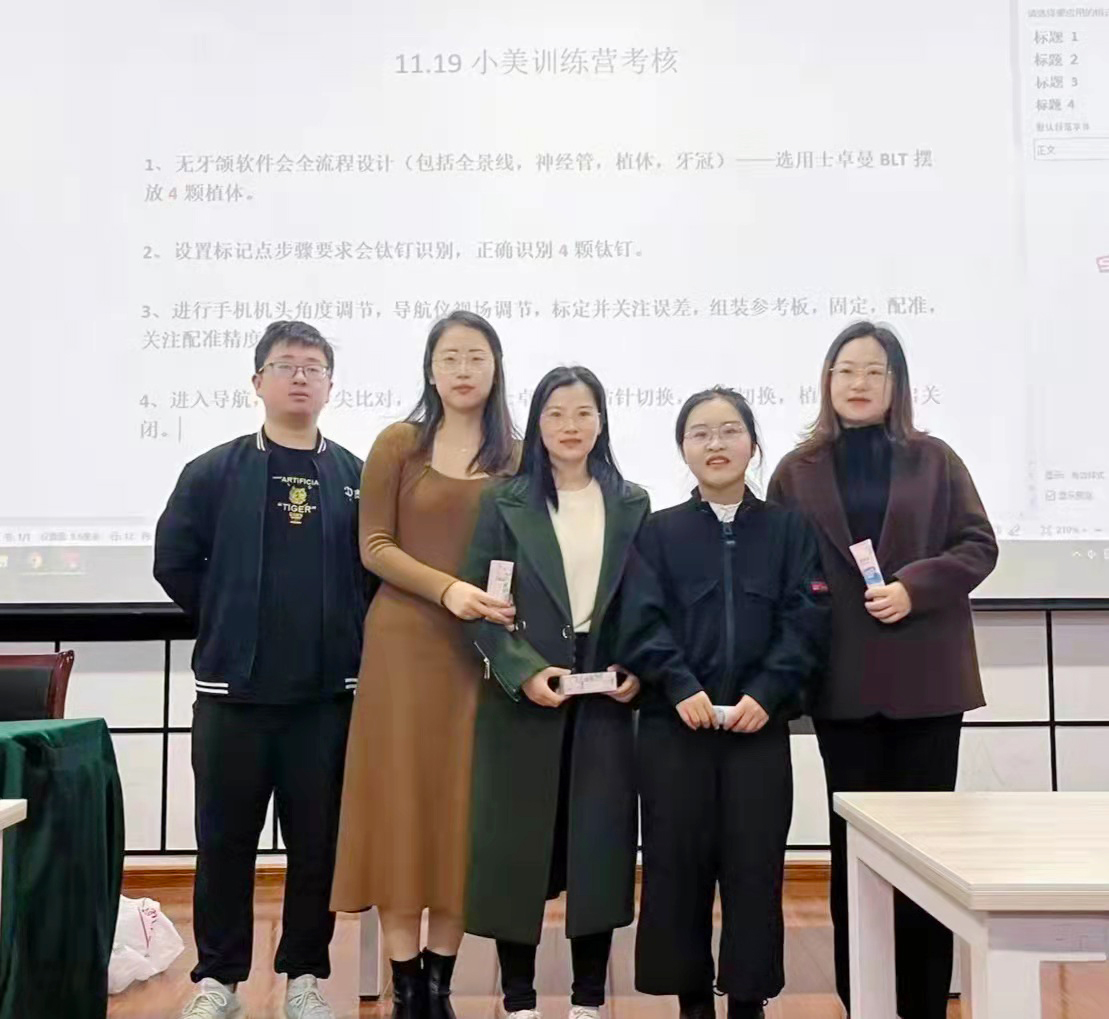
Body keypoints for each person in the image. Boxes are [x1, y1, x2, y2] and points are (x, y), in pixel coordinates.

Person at [767, 321, 998, 1019]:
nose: (858, 383)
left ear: (896, 383)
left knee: (927, 854)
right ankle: (863, 997)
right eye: (845, 370)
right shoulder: (796, 470)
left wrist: (914, 587)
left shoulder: (935, 459)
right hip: (841, 685)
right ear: (826, 381)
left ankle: (925, 1001)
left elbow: (978, 545)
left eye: (873, 371)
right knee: (856, 853)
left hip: (927, 685)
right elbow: (779, 569)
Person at [154, 320, 370, 1019]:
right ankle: (219, 980)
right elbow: (173, 560)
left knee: (317, 847)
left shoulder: (355, 476)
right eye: (285, 365)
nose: (300, 377)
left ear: (331, 386)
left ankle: (304, 976)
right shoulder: (214, 471)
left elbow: (375, 573)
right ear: (257, 382)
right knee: (224, 844)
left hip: (324, 701)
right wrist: (227, 613)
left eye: (313, 367)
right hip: (233, 699)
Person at [616, 387, 828, 1019]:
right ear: (683, 449)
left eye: (730, 430)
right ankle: (691, 1001)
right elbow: (641, 622)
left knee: (755, 869)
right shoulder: (658, 532)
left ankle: (748, 1000)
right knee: (675, 867)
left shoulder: (789, 530)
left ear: (753, 445)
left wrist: (768, 692)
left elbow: (808, 619)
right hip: (675, 730)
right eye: (700, 433)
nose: (716, 444)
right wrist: (681, 686)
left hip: (758, 731)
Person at [331, 310, 519, 1019]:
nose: (463, 369)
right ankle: (406, 985)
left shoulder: (517, 454)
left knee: (460, 810)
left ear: (496, 368)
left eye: (476, 356)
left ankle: (440, 984)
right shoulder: (398, 443)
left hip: (481, 653)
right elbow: (374, 545)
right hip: (403, 648)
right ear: (431, 370)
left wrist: (497, 610)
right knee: (402, 806)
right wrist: (448, 590)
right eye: (450, 357)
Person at [459, 366, 646, 1019]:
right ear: (536, 423)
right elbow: (482, 607)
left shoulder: (632, 502)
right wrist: (522, 669)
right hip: (524, 695)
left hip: (606, 691)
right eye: (556, 413)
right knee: (517, 850)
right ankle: (519, 1001)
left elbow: (650, 603)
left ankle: (589, 1000)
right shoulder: (504, 502)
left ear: (602, 421)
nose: (570, 426)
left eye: (583, 412)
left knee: (598, 848)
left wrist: (638, 669)